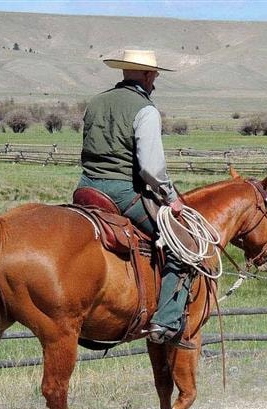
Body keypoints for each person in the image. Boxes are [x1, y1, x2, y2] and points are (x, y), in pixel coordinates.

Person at [77, 49, 195, 350]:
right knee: (182, 246)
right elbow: (150, 168)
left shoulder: (96, 102)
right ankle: (166, 321)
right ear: (145, 74)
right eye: (154, 74)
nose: (155, 79)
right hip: (122, 193)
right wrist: (171, 197)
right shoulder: (146, 110)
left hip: (86, 188)